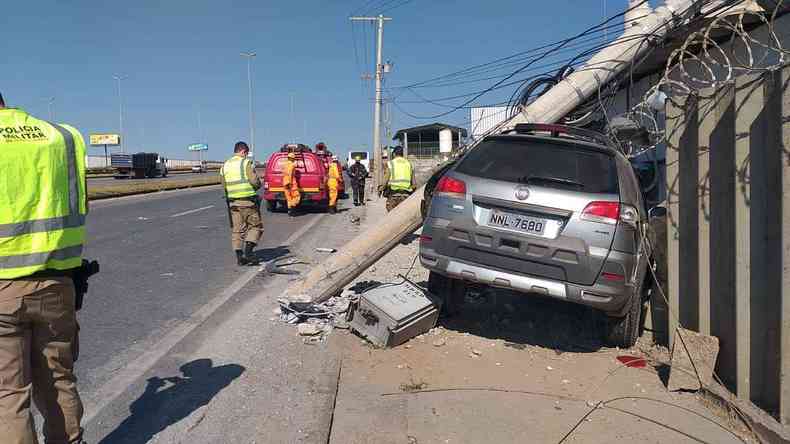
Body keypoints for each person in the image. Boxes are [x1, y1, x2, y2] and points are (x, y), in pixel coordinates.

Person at [0, 92, 89, 444]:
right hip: (56, 282)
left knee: (9, 393)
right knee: (58, 380)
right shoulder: (63, 137)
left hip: (2, 289)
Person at [220, 142, 263, 265]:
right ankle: (249, 252)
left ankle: (240, 258)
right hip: (247, 201)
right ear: (243, 151)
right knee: (256, 227)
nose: (246, 156)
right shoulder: (245, 163)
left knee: (237, 230)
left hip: (233, 203)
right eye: (246, 153)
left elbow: (224, 185)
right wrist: (256, 187)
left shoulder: (225, 165)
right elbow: (254, 181)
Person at [380, 145, 415, 212]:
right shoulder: (409, 164)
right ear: (402, 154)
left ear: (394, 154)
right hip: (406, 196)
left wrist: (381, 189)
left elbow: (385, 181)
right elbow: (414, 184)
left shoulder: (391, 163)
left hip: (393, 196)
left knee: (392, 218)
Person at [282, 152, 301, 217]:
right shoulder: (292, 165)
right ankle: (292, 209)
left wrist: (286, 182)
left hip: (284, 182)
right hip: (291, 182)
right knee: (296, 197)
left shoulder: (284, 164)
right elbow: (290, 174)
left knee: (289, 197)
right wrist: (289, 183)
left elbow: (284, 173)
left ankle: (290, 210)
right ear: (292, 158)